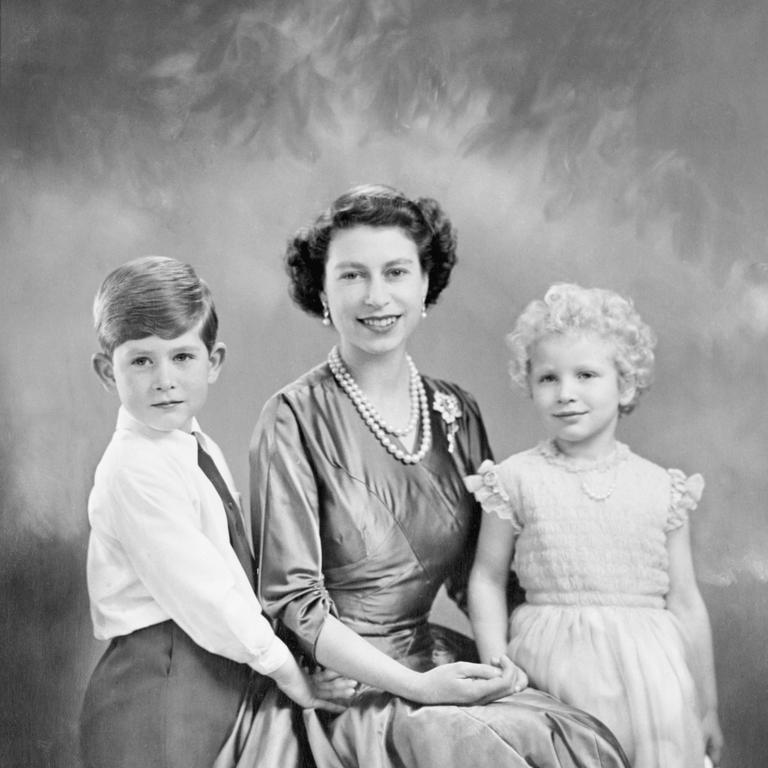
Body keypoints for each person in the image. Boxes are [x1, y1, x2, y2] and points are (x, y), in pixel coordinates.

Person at [221, 186, 630, 768]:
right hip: (339, 693)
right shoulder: (292, 417)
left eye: (395, 272)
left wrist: (519, 655)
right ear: (321, 290)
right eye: (351, 276)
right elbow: (295, 604)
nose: (376, 296)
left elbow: (477, 574)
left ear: (425, 285)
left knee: (573, 739)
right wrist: (416, 690)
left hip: (435, 666)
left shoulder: (455, 411)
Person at [80, 256, 339, 768]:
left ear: (213, 362)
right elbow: (210, 597)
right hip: (159, 688)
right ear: (107, 372)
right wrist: (290, 675)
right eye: (140, 361)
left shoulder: (191, 444)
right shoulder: (134, 468)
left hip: (215, 668)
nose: (164, 380)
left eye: (181, 357)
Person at [465, 283, 724, 768]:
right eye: (547, 378)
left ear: (624, 383)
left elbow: (686, 600)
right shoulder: (515, 479)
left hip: (651, 680)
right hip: (551, 669)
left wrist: (707, 705)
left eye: (586, 375)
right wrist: (498, 667)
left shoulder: (661, 488)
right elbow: (486, 577)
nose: (566, 394)